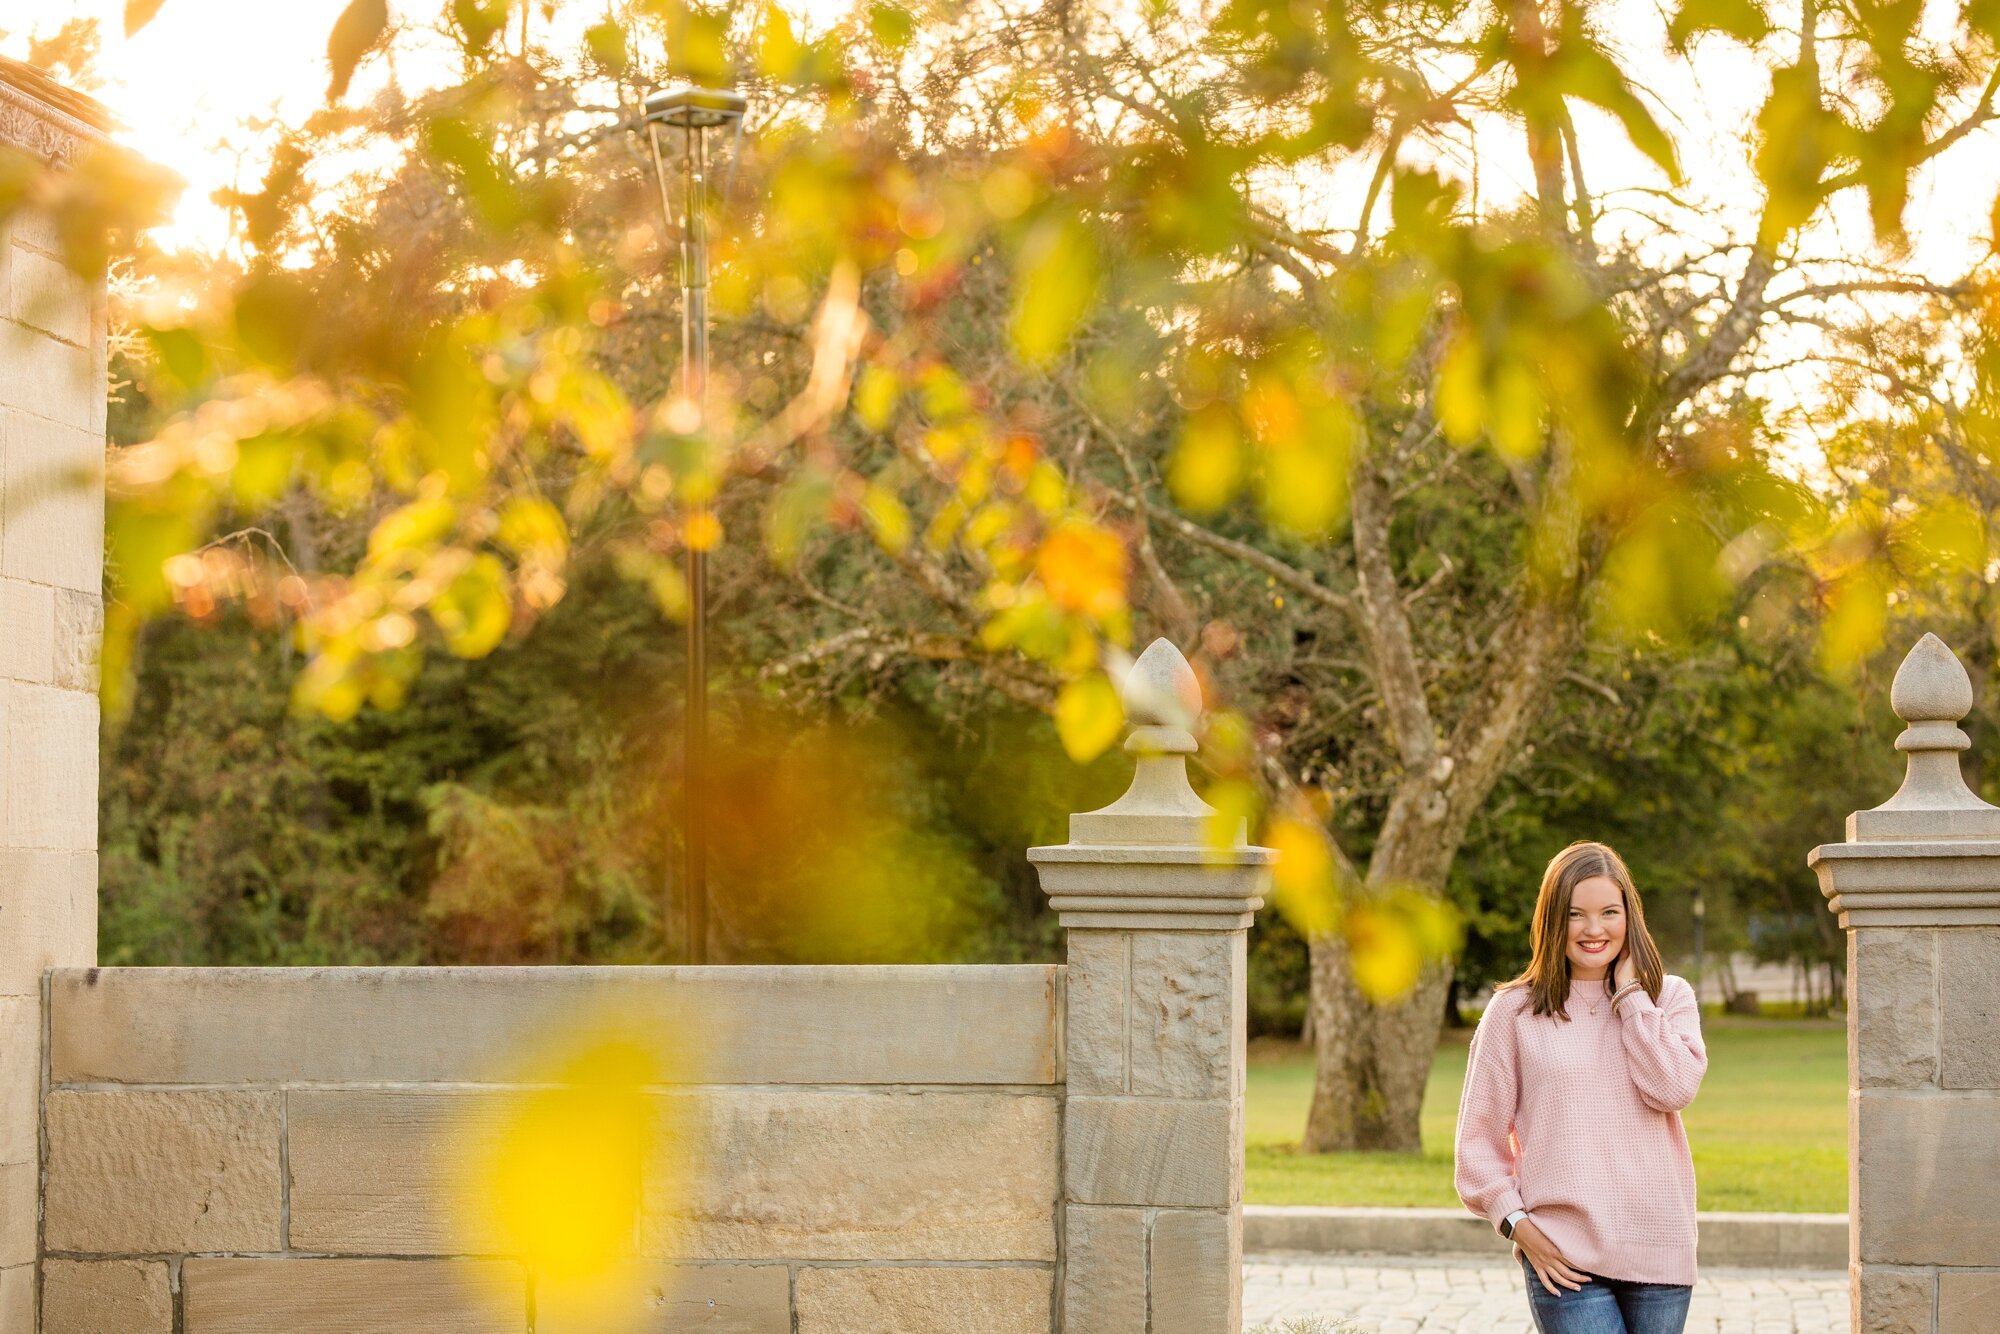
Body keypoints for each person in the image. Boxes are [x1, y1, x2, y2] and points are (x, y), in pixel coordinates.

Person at [1453, 840, 1707, 1333]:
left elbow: (1673, 1088)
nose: (1594, 930)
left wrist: (1631, 996)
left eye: (1609, 912)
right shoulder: (1514, 1011)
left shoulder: (1669, 997)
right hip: (1564, 1257)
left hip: (1660, 1250)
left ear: (1629, 917)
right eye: (1576, 915)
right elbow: (1476, 1145)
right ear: (1552, 921)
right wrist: (1519, 1227)